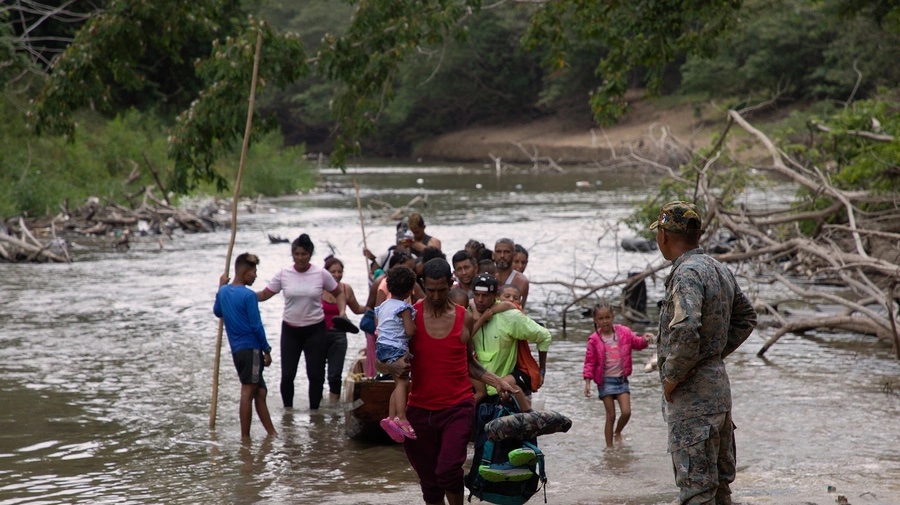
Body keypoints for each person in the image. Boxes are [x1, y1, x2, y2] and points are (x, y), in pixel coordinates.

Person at [378, 258, 517, 505]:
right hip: (419, 411)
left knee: (448, 471)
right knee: (430, 483)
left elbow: (470, 363)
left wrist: (497, 382)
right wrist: (393, 366)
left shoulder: (464, 317)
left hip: (457, 408)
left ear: (450, 283)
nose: (435, 295)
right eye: (430, 290)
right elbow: (383, 359)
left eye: (441, 290)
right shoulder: (409, 315)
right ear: (421, 285)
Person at [651, 201, 758, 505]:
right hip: (718, 395)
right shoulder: (717, 267)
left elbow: (686, 332)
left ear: (664, 235)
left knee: (697, 492)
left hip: (693, 401)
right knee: (720, 489)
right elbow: (747, 317)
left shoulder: (686, 274)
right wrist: (713, 353)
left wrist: (672, 377)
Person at [258, 233, 345, 410]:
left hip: (315, 330)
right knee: (288, 375)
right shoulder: (284, 274)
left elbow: (339, 293)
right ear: (292, 255)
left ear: (310, 255)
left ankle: (315, 415)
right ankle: (288, 414)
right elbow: (266, 294)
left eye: (304, 254)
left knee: (315, 375)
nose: (300, 258)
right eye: (296, 254)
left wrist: (342, 311)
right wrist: (242, 295)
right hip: (290, 330)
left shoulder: (321, 274)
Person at [213, 253, 277, 439]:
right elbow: (256, 325)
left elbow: (218, 311)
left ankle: (271, 433)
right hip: (251, 348)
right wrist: (267, 350)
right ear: (243, 272)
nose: (256, 276)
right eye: (253, 272)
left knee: (261, 391)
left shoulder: (224, 292)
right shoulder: (249, 296)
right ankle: (245, 438)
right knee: (248, 391)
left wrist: (220, 287)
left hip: (238, 351)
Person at [469, 274, 551, 410]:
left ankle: (528, 413)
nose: (480, 300)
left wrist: (542, 370)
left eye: (485, 296)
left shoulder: (510, 316)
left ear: (495, 295)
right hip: (480, 385)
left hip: (505, 385)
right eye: (476, 295)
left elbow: (545, 336)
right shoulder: (468, 314)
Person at [582, 301, 654, 449]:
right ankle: (609, 448)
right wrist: (587, 381)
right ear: (595, 321)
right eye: (601, 319)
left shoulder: (624, 332)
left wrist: (645, 339)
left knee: (626, 412)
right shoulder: (594, 340)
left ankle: (617, 432)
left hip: (621, 380)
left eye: (607, 317)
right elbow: (589, 361)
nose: (605, 321)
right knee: (611, 415)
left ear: (613, 317)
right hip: (605, 381)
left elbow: (637, 343)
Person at [375, 266, 419, 442]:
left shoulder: (384, 305)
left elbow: (379, 325)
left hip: (382, 347)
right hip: (397, 348)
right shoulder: (404, 308)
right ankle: (402, 418)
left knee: (397, 384)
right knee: (403, 383)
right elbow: (409, 331)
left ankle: (391, 418)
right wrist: (415, 326)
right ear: (410, 290)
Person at [322, 255, 367, 400]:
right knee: (316, 375)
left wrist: (374, 307)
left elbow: (356, 308)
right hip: (317, 335)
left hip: (339, 335)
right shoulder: (317, 288)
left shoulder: (346, 289)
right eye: (333, 272)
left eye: (340, 271)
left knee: (335, 375)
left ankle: (334, 409)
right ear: (325, 272)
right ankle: (317, 407)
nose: (337, 275)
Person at [493, 238, 530, 308]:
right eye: (498, 252)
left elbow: (514, 308)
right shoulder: (486, 274)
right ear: (493, 254)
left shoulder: (521, 281)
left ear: (514, 255)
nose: (502, 255)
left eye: (507, 252)